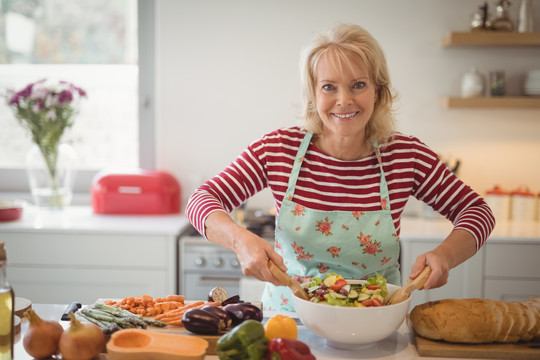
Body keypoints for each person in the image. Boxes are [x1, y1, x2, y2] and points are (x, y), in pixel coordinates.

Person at [186, 23, 495, 311]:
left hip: (375, 324)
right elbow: (201, 200)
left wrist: (444, 256)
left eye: (358, 85)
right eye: (329, 87)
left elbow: (478, 211)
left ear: (378, 90)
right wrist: (241, 241)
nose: (344, 100)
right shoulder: (278, 150)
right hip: (291, 322)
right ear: (313, 94)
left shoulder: (404, 155)